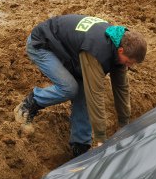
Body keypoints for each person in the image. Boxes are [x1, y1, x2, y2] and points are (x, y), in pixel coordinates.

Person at [14, 14, 147, 157]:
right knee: (70, 88)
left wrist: (124, 125)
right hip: (42, 45)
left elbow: (121, 88)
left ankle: (80, 146)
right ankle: (29, 104)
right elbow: (95, 94)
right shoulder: (97, 50)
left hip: (70, 53)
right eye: (129, 61)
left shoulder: (120, 45)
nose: (129, 66)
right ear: (121, 51)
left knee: (82, 89)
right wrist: (101, 139)